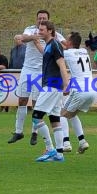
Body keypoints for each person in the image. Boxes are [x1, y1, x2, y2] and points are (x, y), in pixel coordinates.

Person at [8, 9, 65, 145]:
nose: (41, 20)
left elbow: (64, 45)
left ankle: (35, 133)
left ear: (48, 20)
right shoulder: (31, 29)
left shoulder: (53, 33)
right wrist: (35, 37)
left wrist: (52, 39)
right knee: (22, 100)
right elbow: (22, 38)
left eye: (44, 18)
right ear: (36, 19)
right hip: (27, 69)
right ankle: (18, 131)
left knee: (35, 103)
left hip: (41, 72)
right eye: (39, 18)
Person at [33, 21, 71, 163]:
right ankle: (59, 154)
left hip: (53, 85)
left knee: (37, 117)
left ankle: (50, 148)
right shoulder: (49, 45)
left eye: (42, 30)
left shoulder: (55, 44)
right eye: (39, 30)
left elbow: (62, 64)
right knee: (55, 120)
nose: (39, 32)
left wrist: (66, 84)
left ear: (50, 31)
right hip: (54, 86)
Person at [60, 32, 95, 153]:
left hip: (79, 91)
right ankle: (82, 142)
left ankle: (65, 143)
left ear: (69, 42)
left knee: (61, 115)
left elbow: (56, 50)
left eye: (67, 39)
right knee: (72, 114)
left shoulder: (68, 53)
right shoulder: (84, 51)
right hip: (91, 91)